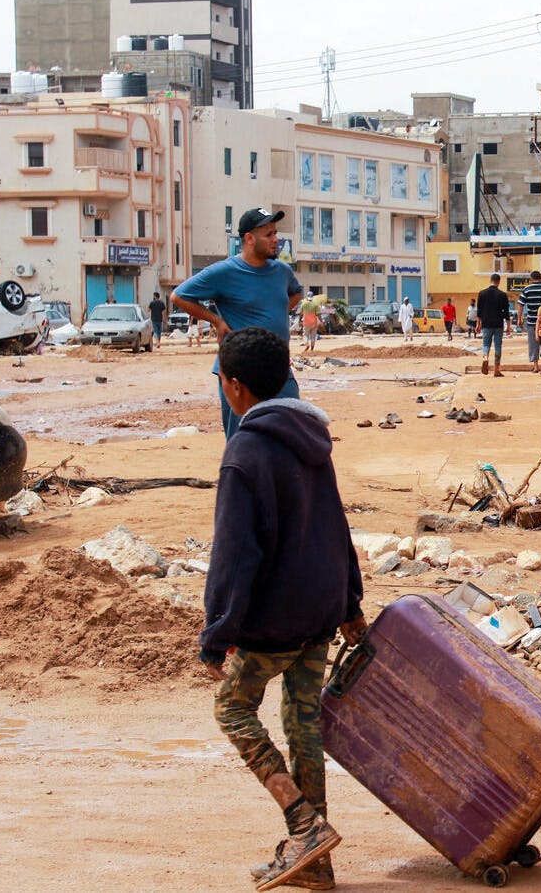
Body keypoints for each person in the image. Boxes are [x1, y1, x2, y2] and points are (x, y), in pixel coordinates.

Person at [198, 327, 367, 891]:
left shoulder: (243, 452)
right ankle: (314, 862)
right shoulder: (310, 437)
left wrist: (217, 632)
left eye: (221, 379)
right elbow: (335, 522)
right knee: (303, 726)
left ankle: (303, 822)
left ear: (236, 387)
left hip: (274, 620)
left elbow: (233, 555)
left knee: (232, 709)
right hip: (319, 609)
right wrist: (349, 602)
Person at [171, 207, 303, 439]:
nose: (276, 240)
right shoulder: (224, 272)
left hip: (280, 368)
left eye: (276, 233)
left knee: (291, 435)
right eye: (269, 235)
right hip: (241, 374)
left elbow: (296, 293)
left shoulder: (282, 271)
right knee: (245, 439)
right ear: (249, 239)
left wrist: (276, 315)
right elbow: (179, 296)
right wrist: (217, 321)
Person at [475, 273, 511, 376]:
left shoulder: (482, 293)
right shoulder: (502, 295)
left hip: (486, 323)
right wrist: (508, 326)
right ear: (498, 282)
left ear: (490, 280)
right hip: (498, 324)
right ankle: (496, 370)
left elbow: (479, 311)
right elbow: (506, 312)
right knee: (498, 346)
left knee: (486, 344)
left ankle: (485, 357)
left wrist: (478, 324)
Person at [519, 272, 541, 372]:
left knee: (533, 344)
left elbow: (521, 305)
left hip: (532, 321)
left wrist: (519, 319)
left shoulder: (526, 289)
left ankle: (536, 366)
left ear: (531, 279)